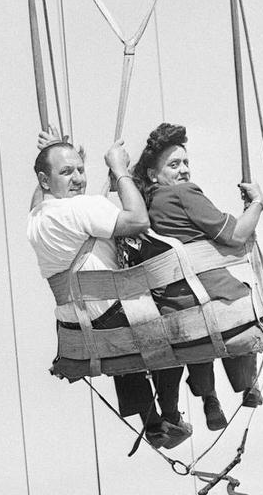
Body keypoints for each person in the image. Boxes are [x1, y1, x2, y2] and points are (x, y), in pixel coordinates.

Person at [27, 133, 185, 448]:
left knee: (118, 345)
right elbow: (139, 220)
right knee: (175, 322)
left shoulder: (36, 219)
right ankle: (169, 414)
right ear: (46, 181)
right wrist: (120, 169)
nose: (78, 179)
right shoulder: (83, 208)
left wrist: (56, 154)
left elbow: (39, 199)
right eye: (66, 172)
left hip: (77, 324)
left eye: (80, 170)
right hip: (109, 316)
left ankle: (152, 423)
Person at [131, 122, 263, 430]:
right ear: (154, 174)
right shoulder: (184, 194)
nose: (184, 170)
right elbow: (233, 234)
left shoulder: (146, 206)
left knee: (195, 324)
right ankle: (247, 384)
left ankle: (209, 396)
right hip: (208, 294)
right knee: (240, 300)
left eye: (186, 163)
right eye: (174, 164)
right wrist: (257, 203)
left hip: (172, 304)